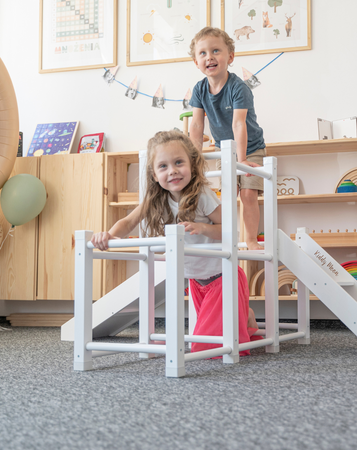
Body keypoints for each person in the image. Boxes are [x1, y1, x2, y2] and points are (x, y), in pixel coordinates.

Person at [90, 130, 259, 355]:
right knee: (210, 341)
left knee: (207, 348)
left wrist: (203, 227)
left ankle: (243, 314)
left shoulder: (202, 195)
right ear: (153, 173)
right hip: (198, 283)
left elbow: (231, 230)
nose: (173, 171)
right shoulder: (155, 199)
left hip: (223, 278)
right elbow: (128, 222)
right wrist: (109, 235)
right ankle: (244, 315)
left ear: (191, 163)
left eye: (179, 162)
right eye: (163, 166)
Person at [188, 27, 266, 251]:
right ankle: (230, 237)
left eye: (215, 51)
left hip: (250, 148)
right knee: (229, 196)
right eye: (202, 53)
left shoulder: (238, 88)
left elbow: (238, 123)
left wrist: (241, 160)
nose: (209, 57)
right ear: (196, 62)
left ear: (230, 57)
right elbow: (196, 125)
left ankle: (251, 239)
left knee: (248, 193)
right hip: (225, 150)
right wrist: (195, 158)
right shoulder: (199, 90)